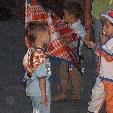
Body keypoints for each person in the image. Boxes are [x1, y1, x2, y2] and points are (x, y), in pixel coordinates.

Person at [52, 2, 86, 101]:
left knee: (75, 76)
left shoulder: (79, 29)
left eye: (65, 14)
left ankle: (76, 93)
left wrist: (68, 41)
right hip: (66, 56)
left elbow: (80, 41)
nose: (63, 16)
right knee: (63, 74)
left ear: (71, 16)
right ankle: (64, 92)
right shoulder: (67, 26)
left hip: (75, 57)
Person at [86, 10, 113, 113]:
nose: (104, 29)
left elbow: (109, 56)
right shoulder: (109, 40)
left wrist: (97, 45)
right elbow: (101, 55)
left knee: (110, 102)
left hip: (110, 79)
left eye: (107, 26)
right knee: (96, 96)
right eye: (103, 26)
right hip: (102, 76)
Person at [23, 21, 51, 113]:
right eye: (48, 32)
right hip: (40, 91)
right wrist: (44, 95)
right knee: (43, 110)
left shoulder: (32, 50)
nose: (50, 35)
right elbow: (41, 77)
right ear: (41, 36)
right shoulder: (41, 57)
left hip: (32, 88)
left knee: (37, 110)